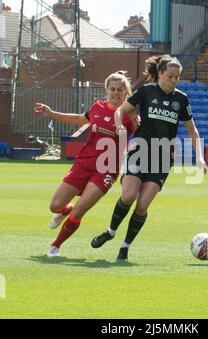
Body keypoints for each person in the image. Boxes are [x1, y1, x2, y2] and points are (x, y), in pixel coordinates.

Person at [91, 54, 208, 261]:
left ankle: (125, 247)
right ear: (160, 74)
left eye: (177, 77)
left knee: (143, 205)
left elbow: (193, 131)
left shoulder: (181, 99)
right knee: (128, 196)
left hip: (163, 156)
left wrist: (200, 158)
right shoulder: (146, 91)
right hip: (140, 149)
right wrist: (119, 123)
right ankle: (110, 232)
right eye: (170, 76)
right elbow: (121, 111)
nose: (173, 80)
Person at [34, 71, 138, 257]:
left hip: (106, 171)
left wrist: (135, 122)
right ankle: (66, 210)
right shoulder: (97, 107)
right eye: (112, 89)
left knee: (80, 210)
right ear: (106, 90)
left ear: (126, 92)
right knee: (55, 206)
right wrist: (51, 113)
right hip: (83, 164)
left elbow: (141, 135)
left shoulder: (129, 114)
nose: (115, 93)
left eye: (120, 90)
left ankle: (55, 246)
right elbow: (77, 119)